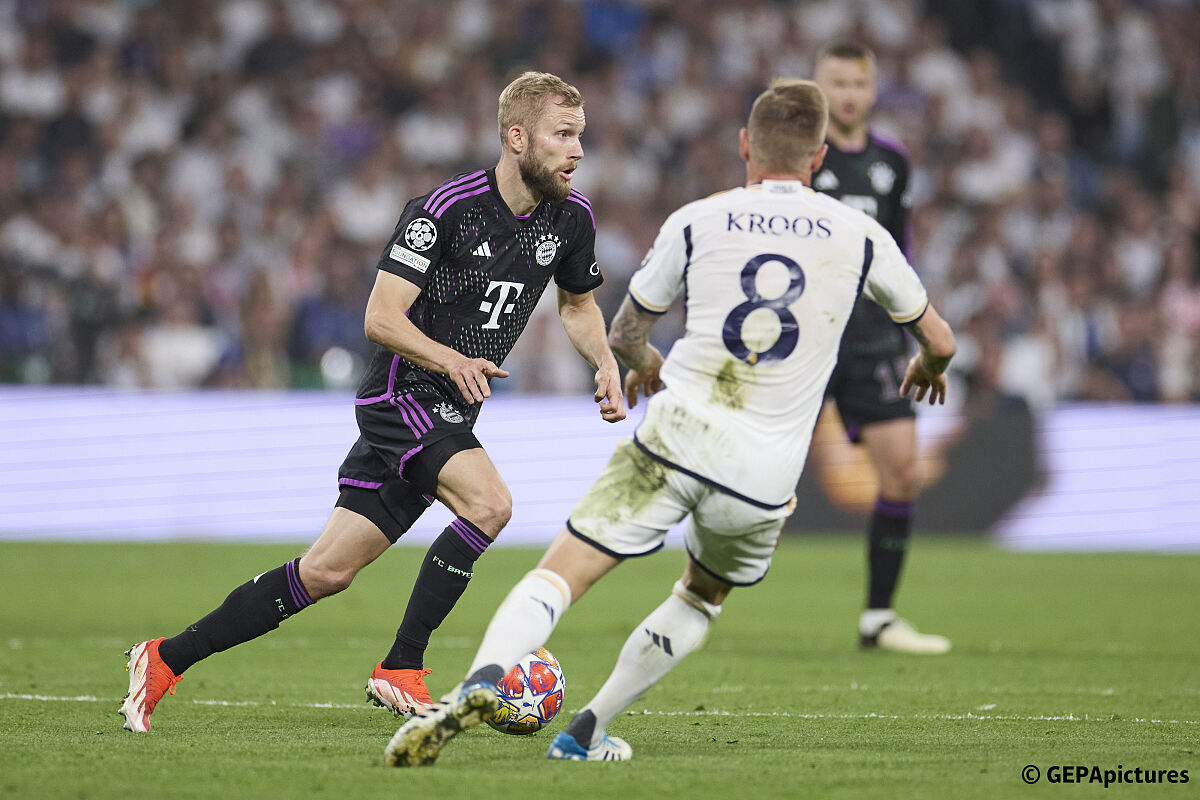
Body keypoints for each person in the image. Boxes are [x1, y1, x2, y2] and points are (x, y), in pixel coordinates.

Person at [383, 77, 956, 767]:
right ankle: (586, 730)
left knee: (564, 573)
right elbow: (940, 339)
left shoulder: (699, 219)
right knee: (701, 595)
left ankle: (481, 681)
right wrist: (927, 367)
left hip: (678, 435)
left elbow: (625, 330)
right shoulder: (862, 235)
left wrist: (643, 363)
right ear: (819, 157)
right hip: (765, 472)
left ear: (746, 146)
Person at [119, 72, 627, 732]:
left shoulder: (571, 218)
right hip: (402, 394)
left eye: (580, 136)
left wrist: (606, 361)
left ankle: (162, 659)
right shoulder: (444, 209)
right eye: (563, 136)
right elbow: (381, 317)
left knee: (325, 572)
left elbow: (579, 304)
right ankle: (402, 667)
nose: (577, 151)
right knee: (490, 504)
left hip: (452, 407)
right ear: (517, 136)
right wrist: (449, 358)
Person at [811, 41, 950, 654]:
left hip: (872, 340)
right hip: (804, 338)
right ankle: (698, 595)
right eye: (836, 82)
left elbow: (902, 252)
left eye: (857, 84)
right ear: (818, 86)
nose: (847, 94)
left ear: (872, 91)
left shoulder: (893, 162)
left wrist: (911, 329)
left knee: (900, 473)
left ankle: (878, 618)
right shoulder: (799, 156)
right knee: (755, 481)